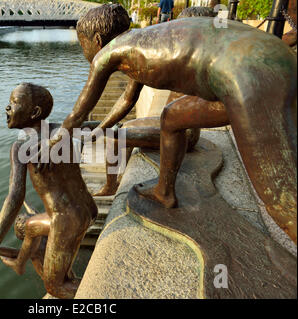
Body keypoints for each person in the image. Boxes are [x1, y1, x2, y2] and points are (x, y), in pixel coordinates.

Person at [39, 4, 297, 243]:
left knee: (281, 197)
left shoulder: (107, 54)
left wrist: (51, 142)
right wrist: (101, 129)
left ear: (96, 41)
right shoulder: (138, 44)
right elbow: (127, 100)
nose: (84, 51)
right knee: (172, 117)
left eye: (82, 44)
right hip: (265, 56)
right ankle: (165, 191)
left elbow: (78, 113)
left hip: (249, 75)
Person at [0, 83, 98, 299]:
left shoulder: (22, 148)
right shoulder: (62, 131)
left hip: (66, 219)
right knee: (38, 237)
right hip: (89, 209)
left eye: (14, 103)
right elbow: (95, 127)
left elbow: (14, 198)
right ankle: (23, 263)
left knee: (55, 286)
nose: (7, 108)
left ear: (34, 112)